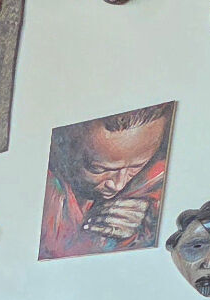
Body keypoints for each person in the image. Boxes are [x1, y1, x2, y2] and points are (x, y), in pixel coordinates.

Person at [39, 103, 173, 260]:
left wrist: (144, 228)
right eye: (99, 169)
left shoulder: (159, 182)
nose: (118, 185)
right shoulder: (47, 195)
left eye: (137, 166)